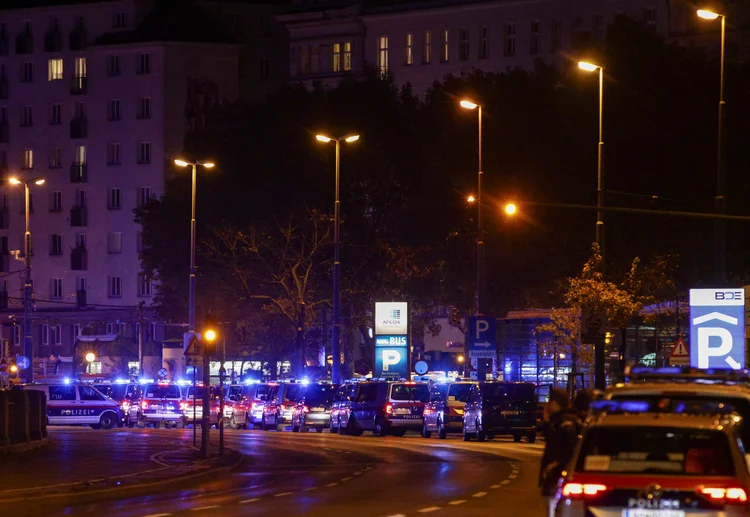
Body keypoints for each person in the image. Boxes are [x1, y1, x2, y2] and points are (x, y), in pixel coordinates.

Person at [539, 388, 581, 517]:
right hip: (555, 473)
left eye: (550, 401)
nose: (547, 405)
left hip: (558, 473)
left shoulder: (565, 422)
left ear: (555, 403)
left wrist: (556, 463)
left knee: (555, 509)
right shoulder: (557, 420)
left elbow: (569, 447)